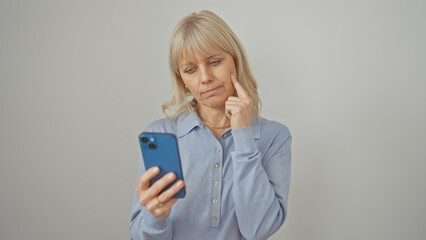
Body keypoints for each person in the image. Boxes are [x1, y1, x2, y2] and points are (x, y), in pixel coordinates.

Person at [130, 10, 292, 240]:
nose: (205, 77)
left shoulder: (275, 137)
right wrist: (156, 216)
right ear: (182, 80)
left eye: (214, 62)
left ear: (235, 60)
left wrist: (244, 138)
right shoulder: (161, 134)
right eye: (190, 69)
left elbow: (258, 231)